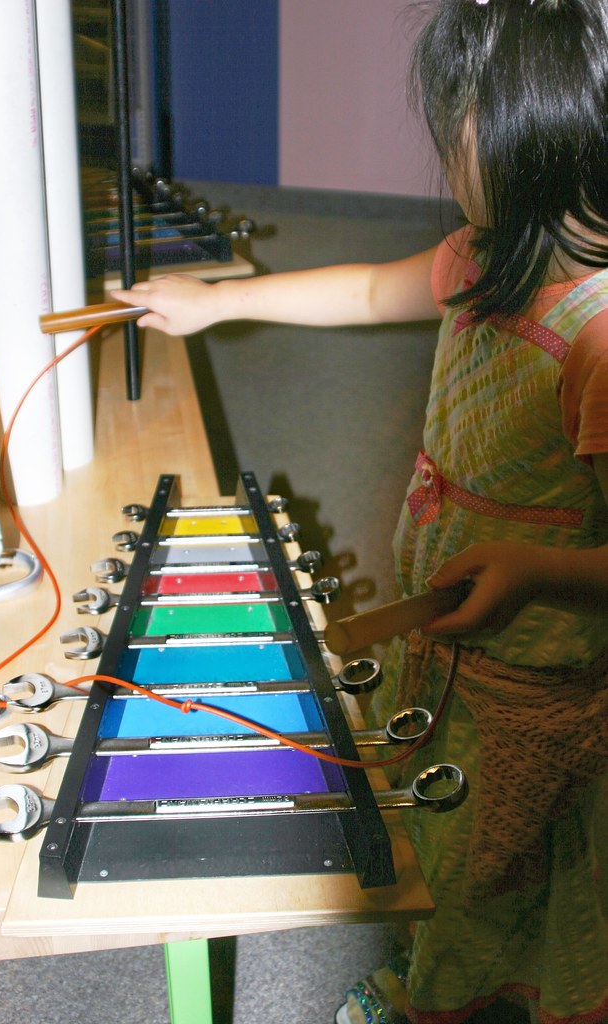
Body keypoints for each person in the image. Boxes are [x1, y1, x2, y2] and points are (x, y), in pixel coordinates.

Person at [113, 1, 608, 1020]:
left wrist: (535, 567)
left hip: (536, 661)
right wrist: (222, 299)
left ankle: (434, 1001)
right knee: (431, 805)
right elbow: (369, 289)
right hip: (448, 624)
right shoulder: (488, 251)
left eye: (456, 129)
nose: (443, 152)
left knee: (478, 856)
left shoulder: (596, 344)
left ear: (534, 144)